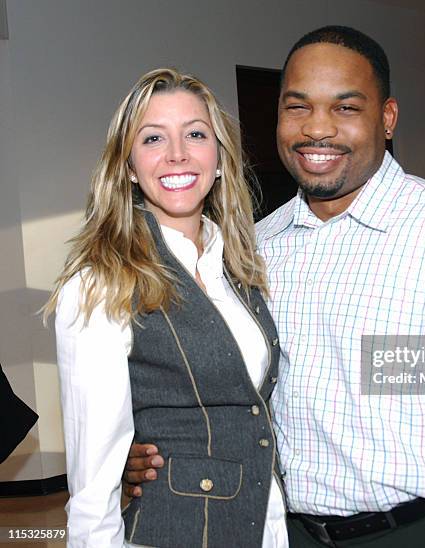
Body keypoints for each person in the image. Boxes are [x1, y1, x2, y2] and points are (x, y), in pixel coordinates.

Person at [125, 28, 425, 547]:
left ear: (386, 119)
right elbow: (234, 389)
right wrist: (154, 447)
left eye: (345, 108)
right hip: (291, 532)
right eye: (298, 107)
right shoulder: (256, 246)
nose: (317, 129)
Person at [44, 68, 288, 548]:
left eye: (195, 134)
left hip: (269, 526)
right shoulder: (100, 283)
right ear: (130, 167)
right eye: (153, 138)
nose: (177, 153)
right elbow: (94, 480)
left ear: (219, 159)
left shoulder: (242, 267)